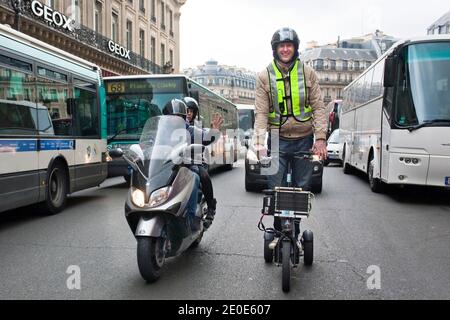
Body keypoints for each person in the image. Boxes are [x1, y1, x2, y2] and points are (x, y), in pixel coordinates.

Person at [253, 27, 328, 240]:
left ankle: (294, 230)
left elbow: (319, 107)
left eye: (289, 45)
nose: (285, 49)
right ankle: (278, 230)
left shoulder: (308, 73)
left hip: (304, 139)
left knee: (301, 188)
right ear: (275, 49)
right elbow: (260, 113)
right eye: (281, 46)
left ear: (295, 48)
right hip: (277, 140)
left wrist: (320, 138)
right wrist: (258, 142)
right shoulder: (264, 76)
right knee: (274, 188)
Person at [162, 99, 223, 231]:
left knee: (200, 176)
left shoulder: (191, 130)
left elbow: (206, 137)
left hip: (189, 164)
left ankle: (196, 215)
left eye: (179, 116)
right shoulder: (161, 132)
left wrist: (214, 132)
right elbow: (150, 143)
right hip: (169, 165)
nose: (175, 120)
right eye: (172, 117)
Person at [184, 97, 218, 226]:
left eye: (190, 111)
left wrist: (213, 131)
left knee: (203, 175)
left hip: (195, 161)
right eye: (185, 110)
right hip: (176, 162)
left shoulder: (194, 128)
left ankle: (211, 207)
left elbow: (206, 136)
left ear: (194, 113)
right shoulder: (172, 128)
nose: (188, 113)